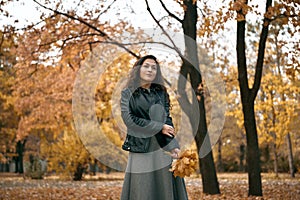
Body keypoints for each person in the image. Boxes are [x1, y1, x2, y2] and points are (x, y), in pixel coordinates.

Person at [120, 55, 188, 200]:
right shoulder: (127, 93)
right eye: (146, 66)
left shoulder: (161, 93)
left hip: (162, 148)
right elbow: (129, 120)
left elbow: (167, 120)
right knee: (143, 190)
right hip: (140, 148)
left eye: (154, 68)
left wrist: (173, 145)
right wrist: (159, 127)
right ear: (138, 69)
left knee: (164, 190)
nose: (150, 70)